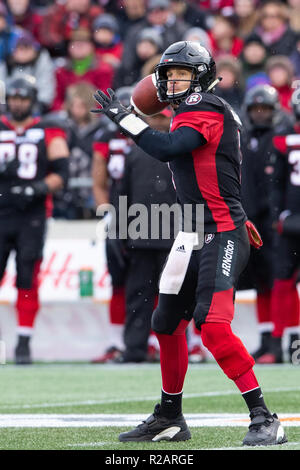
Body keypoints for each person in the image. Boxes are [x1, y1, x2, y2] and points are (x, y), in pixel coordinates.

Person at [92, 41, 287, 446]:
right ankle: (169, 415)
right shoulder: (187, 110)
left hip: (222, 229)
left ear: (199, 76)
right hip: (192, 233)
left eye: (180, 73)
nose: (171, 81)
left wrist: (125, 118)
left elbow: (167, 148)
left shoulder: (208, 107)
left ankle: (265, 417)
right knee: (165, 324)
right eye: (167, 74)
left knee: (213, 326)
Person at [0, 76, 69, 364]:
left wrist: (38, 188)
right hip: (2, 212)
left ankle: (23, 341)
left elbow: (61, 173)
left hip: (32, 214)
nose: (17, 103)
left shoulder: (48, 130)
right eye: (13, 98)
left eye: (22, 98)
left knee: (28, 276)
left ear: (32, 100)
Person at [239, 84, 293, 362]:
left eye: (265, 109)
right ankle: (265, 338)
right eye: (255, 109)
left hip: (272, 224)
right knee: (260, 283)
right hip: (250, 221)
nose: (260, 114)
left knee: (277, 282)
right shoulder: (244, 140)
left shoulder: (280, 139)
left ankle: (278, 342)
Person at [257, 88, 300, 364]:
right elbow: (275, 184)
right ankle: (288, 343)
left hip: (290, 218)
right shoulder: (282, 139)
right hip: (292, 221)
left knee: (283, 282)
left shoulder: (284, 138)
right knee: (282, 282)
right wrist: (277, 217)